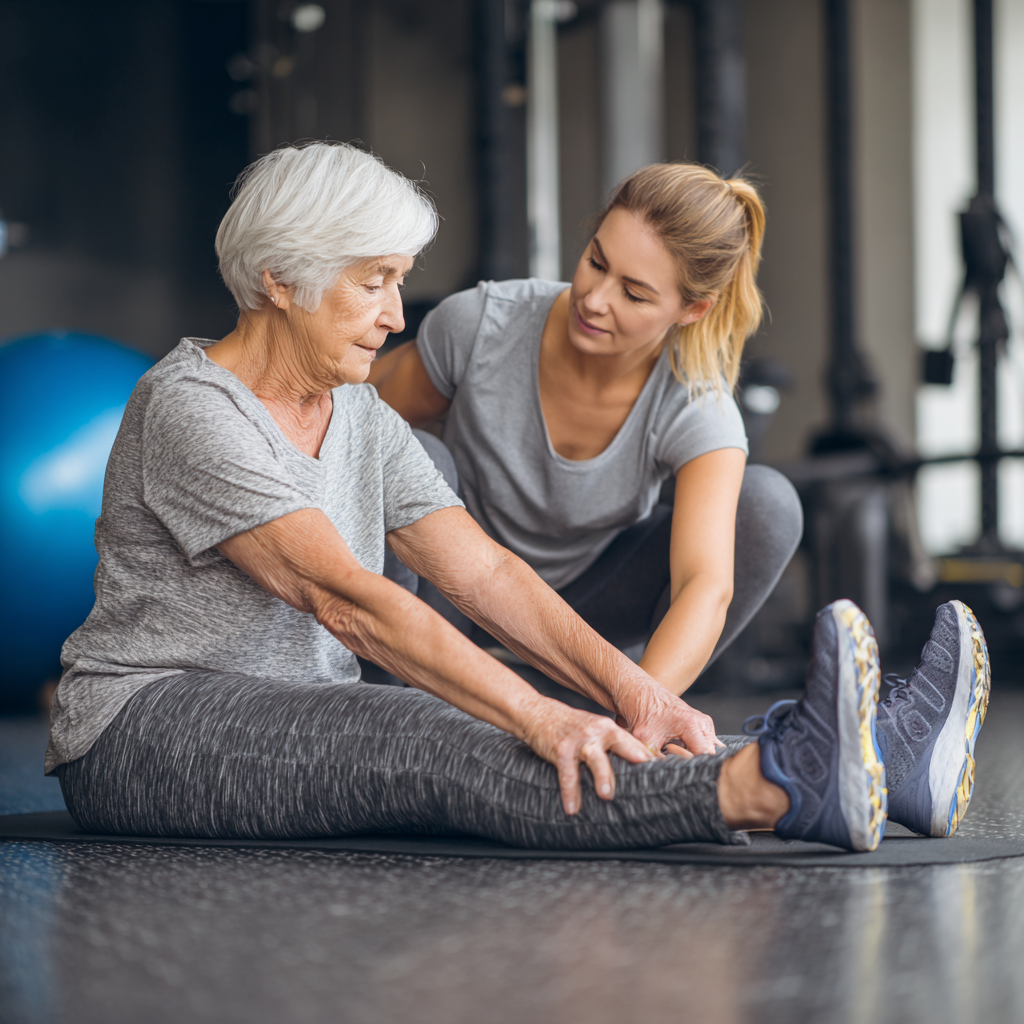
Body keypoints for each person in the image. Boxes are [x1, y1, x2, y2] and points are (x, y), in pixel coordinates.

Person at [46, 143, 989, 854]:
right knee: (437, 728)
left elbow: (483, 568)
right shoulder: (190, 407)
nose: (395, 315)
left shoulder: (356, 414)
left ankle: (882, 761)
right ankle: (771, 788)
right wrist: (537, 713)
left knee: (467, 718)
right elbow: (350, 601)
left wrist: (632, 693)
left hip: (306, 713)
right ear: (279, 280)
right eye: (375, 284)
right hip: (149, 726)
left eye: (399, 284)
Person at [370, 163, 802, 696]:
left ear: (691, 309)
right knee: (411, 453)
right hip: (446, 598)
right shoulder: (480, 325)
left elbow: (702, 585)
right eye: (596, 262)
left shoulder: (695, 406)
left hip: (579, 620)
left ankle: (596, 708)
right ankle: (398, 713)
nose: (595, 299)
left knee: (767, 505)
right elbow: (348, 438)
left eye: (635, 294)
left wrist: (644, 714)